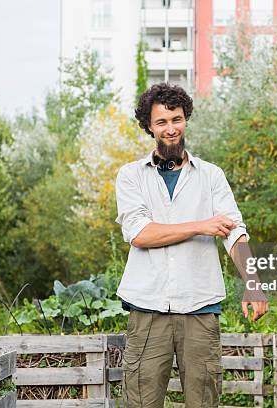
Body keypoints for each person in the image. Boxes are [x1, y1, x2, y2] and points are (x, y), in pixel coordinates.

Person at [115, 83, 268, 407]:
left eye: (177, 119)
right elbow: (140, 234)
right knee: (140, 402)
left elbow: (234, 231)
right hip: (147, 308)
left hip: (200, 307)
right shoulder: (131, 176)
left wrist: (253, 284)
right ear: (149, 127)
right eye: (162, 122)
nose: (171, 128)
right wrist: (202, 225)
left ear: (186, 120)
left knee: (204, 401)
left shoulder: (211, 176)